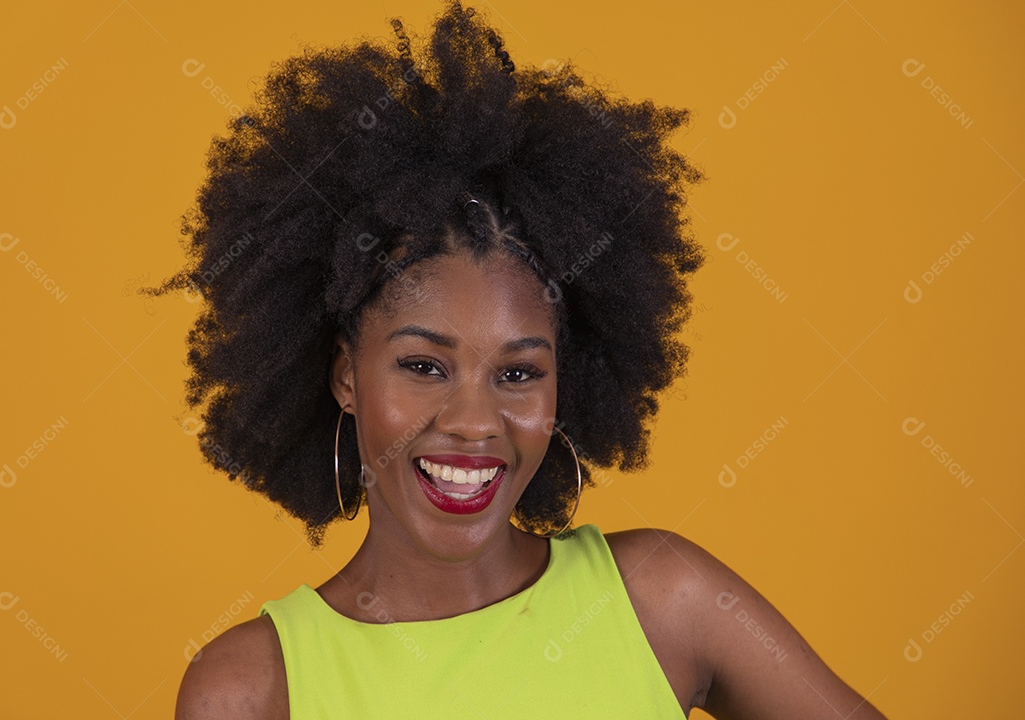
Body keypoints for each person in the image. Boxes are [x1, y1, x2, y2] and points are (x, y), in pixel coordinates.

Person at [141, 1, 890, 717]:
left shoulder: (666, 601)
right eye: (424, 366)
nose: (475, 422)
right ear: (345, 376)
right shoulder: (252, 689)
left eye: (518, 373)